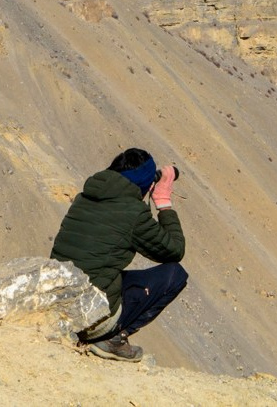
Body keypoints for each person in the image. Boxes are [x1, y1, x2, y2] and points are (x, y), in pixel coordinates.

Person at [50, 147, 187, 362]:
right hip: (92, 318)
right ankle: (113, 339)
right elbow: (174, 250)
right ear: (144, 185)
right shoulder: (133, 212)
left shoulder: (84, 198)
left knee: (102, 266)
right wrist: (162, 201)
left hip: (59, 304)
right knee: (175, 275)